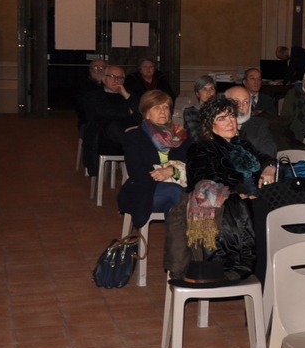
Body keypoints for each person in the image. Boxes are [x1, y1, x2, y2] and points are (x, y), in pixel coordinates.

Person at [183, 96, 277, 281]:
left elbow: (265, 158)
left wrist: (269, 167)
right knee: (262, 210)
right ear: (209, 125)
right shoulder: (202, 147)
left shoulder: (242, 144)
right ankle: (264, 287)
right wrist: (238, 193)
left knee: (295, 201)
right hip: (231, 203)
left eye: (232, 116)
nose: (230, 122)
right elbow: (204, 181)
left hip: (257, 195)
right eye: (222, 118)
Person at [117, 90, 189, 230]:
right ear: (146, 113)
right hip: (143, 190)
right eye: (156, 107)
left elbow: (190, 164)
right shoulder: (134, 136)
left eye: (165, 107)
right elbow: (137, 172)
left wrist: (171, 170)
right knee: (177, 193)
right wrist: (162, 173)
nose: (162, 111)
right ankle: (189, 249)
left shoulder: (181, 136)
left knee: (174, 207)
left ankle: (177, 249)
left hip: (177, 188)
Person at [81, 65, 140, 177]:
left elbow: (140, 112)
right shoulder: (94, 94)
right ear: (104, 79)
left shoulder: (128, 94)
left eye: (120, 78)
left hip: (124, 139)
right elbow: (102, 112)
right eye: (112, 76)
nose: (116, 80)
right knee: (113, 126)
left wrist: (126, 95)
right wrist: (128, 113)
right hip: (103, 139)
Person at [225, 86, 277, 159]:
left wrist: (268, 166)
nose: (241, 107)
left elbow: (269, 151)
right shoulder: (214, 125)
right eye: (236, 102)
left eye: (246, 102)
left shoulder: (259, 125)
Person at [182, 75, 217, 144]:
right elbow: (196, 138)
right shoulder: (190, 112)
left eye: (212, 88)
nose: (209, 92)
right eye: (204, 89)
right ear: (197, 94)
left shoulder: (219, 111)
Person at [75, 59, 106, 132]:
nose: (100, 70)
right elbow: (82, 108)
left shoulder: (109, 84)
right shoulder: (83, 86)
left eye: (102, 68)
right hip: (89, 120)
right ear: (90, 70)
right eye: (96, 68)